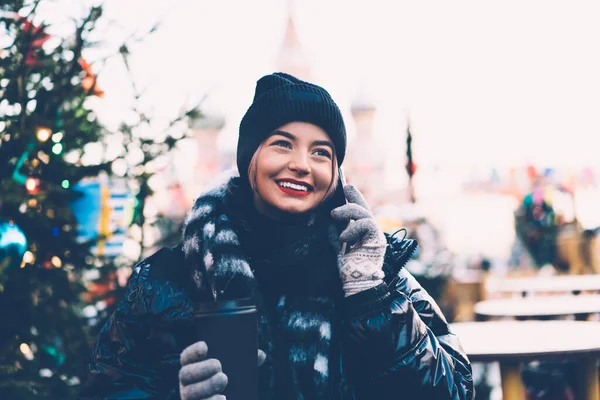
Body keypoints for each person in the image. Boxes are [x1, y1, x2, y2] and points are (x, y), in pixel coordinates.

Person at [79, 72, 473, 399]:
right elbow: (109, 387)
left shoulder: (374, 271)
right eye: (282, 144)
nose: (302, 164)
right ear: (250, 157)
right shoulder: (170, 279)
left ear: (337, 175)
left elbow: (455, 391)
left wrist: (371, 299)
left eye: (321, 152)